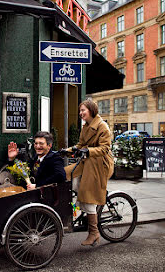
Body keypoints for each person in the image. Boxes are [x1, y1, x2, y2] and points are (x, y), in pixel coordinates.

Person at [65, 99, 114, 246]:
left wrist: (88, 150)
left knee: (87, 193)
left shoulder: (102, 126)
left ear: (91, 110)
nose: (80, 113)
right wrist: (66, 151)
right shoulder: (85, 127)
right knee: (67, 176)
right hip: (89, 161)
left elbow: (105, 148)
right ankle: (83, 206)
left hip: (101, 163)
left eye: (83, 110)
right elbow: (80, 145)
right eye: (80, 111)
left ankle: (94, 232)